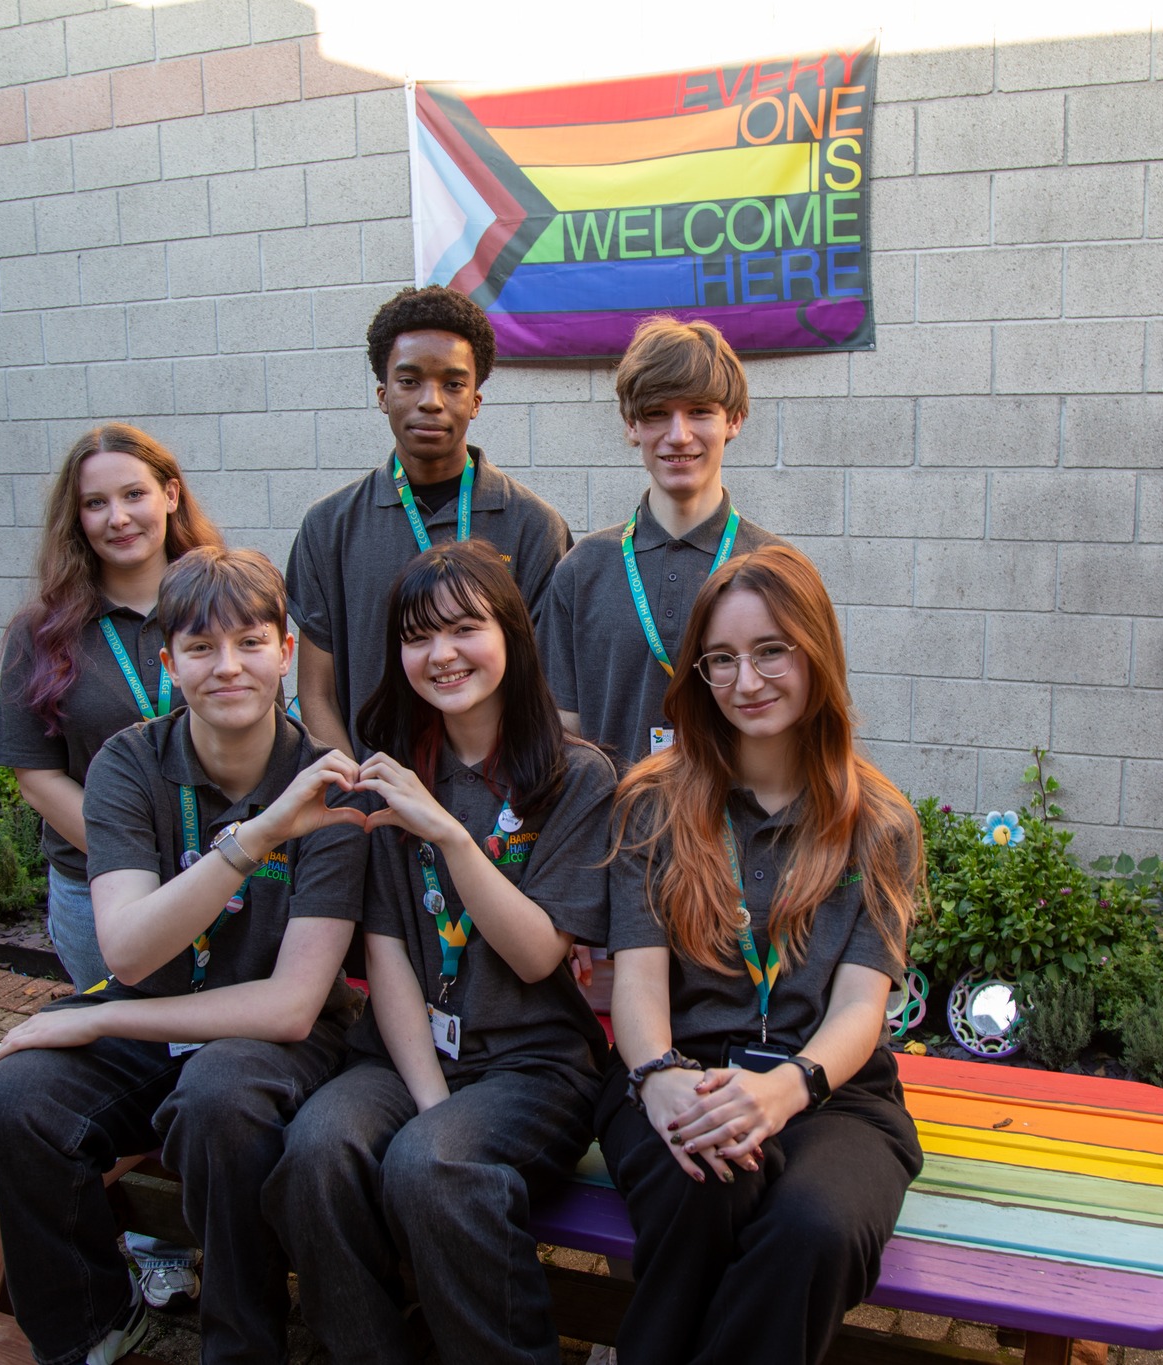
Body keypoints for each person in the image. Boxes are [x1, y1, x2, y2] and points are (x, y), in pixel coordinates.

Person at [0, 547, 370, 1365]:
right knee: (10, 1106)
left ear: (286, 652)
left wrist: (98, 1017)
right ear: (169, 663)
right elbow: (128, 947)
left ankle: (242, 1345)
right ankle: (94, 1325)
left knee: (219, 1101)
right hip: (152, 1012)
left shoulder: (327, 787)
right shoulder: (128, 762)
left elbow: (293, 1005)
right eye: (201, 647)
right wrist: (253, 840)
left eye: (250, 643)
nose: (229, 667)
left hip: (270, 1036)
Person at [265, 539, 616, 1365]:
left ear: (512, 634)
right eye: (418, 636)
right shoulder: (385, 776)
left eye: (465, 628)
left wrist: (451, 834)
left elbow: (538, 956)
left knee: (433, 1165)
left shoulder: (577, 778)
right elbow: (386, 950)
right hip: (406, 1054)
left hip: (532, 1064)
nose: (442, 653)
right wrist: (430, 1098)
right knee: (316, 1150)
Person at [600, 543, 926, 1365]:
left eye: (771, 650)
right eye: (722, 658)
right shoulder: (653, 802)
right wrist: (659, 1077)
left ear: (816, 651)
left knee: (812, 1228)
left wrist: (788, 1087)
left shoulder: (878, 822)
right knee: (708, 1181)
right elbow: (637, 982)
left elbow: (861, 1006)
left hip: (831, 1090)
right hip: (682, 1070)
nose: (746, 680)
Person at [286, 285, 572, 759]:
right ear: (383, 395)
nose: (431, 401)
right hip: (371, 792)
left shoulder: (533, 526)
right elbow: (317, 693)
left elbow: (547, 687)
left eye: (453, 384)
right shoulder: (328, 527)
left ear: (475, 401)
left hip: (498, 791)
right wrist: (356, 790)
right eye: (409, 381)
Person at [0, 424, 222, 992]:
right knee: (118, 1036)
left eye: (134, 494)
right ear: (77, 519)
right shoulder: (42, 632)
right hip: (96, 888)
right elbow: (37, 777)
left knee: (222, 1035)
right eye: (95, 503)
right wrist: (134, 860)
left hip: (221, 879)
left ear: (170, 495)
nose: (118, 518)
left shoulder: (223, 607)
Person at [541, 315, 786, 772]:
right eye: (657, 413)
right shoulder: (581, 570)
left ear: (734, 420)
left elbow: (811, 727)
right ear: (632, 425)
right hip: (613, 817)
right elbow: (561, 733)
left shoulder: (779, 569)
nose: (679, 435)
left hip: (737, 818)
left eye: (700, 411)